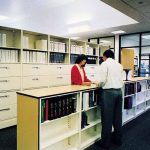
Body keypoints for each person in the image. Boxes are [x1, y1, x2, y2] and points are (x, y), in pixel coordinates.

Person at [98, 50, 124, 150]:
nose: (102, 59)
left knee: (107, 118)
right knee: (117, 118)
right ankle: (118, 140)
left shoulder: (105, 64)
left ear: (105, 56)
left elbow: (102, 80)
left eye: (103, 57)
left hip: (109, 93)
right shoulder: (119, 65)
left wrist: (98, 84)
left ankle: (105, 143)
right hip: (119, 92)